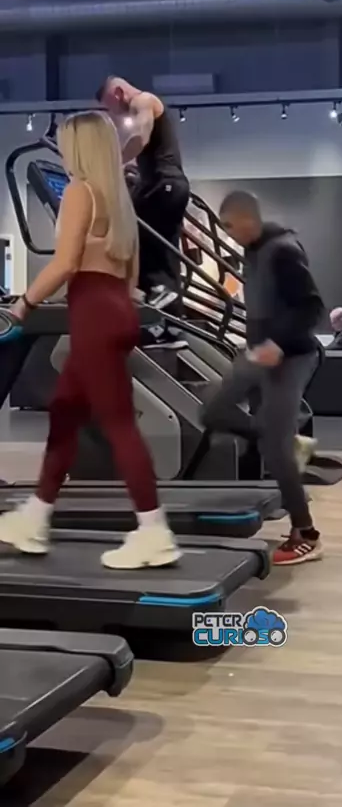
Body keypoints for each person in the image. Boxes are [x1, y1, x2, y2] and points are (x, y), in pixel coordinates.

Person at [0, 111, 181, 571]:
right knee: (64, 414)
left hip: (94, 316)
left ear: (79, 148)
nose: (62, 151)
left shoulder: (80, 192)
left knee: (119, 424)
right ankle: (35, 517)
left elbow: (65, 264)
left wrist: (24, 304)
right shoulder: (119, 201)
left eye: (66, 143)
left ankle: (154, 531)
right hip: (117, 309)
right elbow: (130, 276)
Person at [201, 191, 324, 567]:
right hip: (259, 354)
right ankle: (288, 443)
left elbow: (312, 307)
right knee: (214, 410)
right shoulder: (252, 249)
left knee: (274, 445)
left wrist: (278, 344)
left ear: (248, 219)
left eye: (230, 225)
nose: (228, 233)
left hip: (292, 356)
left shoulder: (283, 250)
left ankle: (307, 534)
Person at [96, 76, 190, 349]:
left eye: (110, 106)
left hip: (163, 184)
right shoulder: (146, 106)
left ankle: (156, 308)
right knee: (164, 254)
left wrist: (112, 165)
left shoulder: (143, 100)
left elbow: (139, 136)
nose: (113, 113)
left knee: (133, 242)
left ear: (118, 92)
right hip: (170, 185)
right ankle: (171, 327)